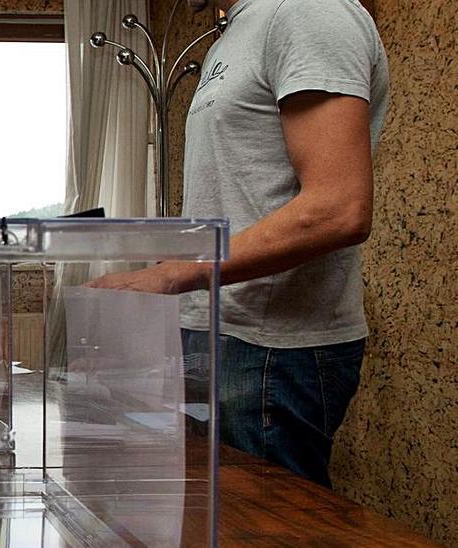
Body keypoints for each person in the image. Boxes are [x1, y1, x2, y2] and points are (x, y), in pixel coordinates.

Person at [87, 0, 388, 486]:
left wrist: (172, 274)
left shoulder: (307, 11)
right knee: (214, 521)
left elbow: (338, 208)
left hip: (271, 347)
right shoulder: (238, 30)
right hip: (217, 329)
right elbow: (240, 194)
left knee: (266, 528)